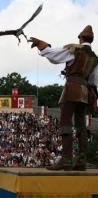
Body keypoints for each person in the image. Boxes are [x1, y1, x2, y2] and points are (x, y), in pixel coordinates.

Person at [29, 25, 98, 170]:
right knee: (81, 126)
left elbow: (53, 55)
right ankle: (81, 161)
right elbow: (94, 81)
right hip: (86, 91)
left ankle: (66, 159)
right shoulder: (94, 58)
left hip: (72, 87)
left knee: (65, 122)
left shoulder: (75, 49)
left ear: (80, 37)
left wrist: (40, 44)